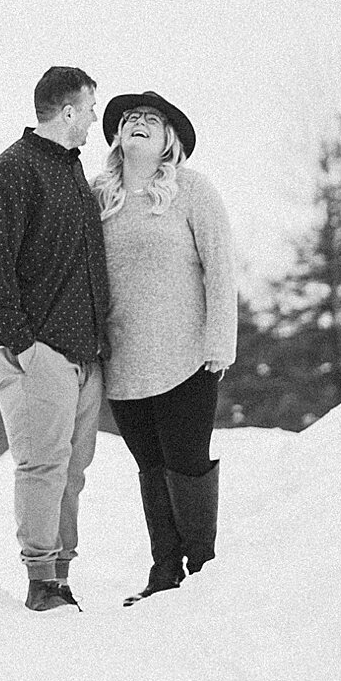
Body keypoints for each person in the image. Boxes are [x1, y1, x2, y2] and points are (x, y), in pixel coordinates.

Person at [0, 66, 110, 613]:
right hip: (33, 349)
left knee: (73, 467)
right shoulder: (13, 171)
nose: (95, 120)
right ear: (69, 111)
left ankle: (60, 577)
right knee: (43, 464)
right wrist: (25, 347)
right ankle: (40, 581)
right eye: (91, 109)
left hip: (79, 351)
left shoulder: (70, 173)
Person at [92, 90, 238, 606]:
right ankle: (164, 571)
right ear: (117, 137)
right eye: (129, 118)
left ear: (168, 139)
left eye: (150, 119)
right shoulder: (98, 196)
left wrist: (222, 340)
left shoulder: (192, 191)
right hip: (123, 361)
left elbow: (221, 266)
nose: (137, 122)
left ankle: (201, 571)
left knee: (186, 462)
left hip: (186, 357)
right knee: (150, 466)